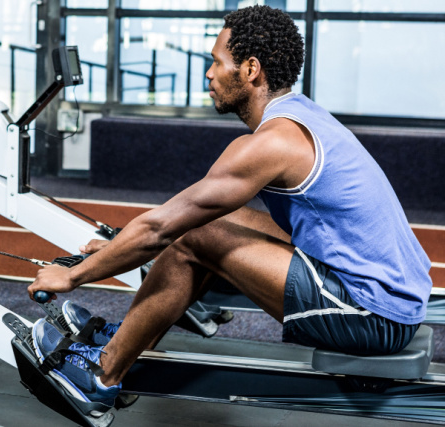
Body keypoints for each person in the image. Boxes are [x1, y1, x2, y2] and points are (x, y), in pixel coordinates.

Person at [26, 5, 433, 411]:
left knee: (196, 236)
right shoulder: (301, 114)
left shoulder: (272, 143)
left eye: (216, 62)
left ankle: (101, 376)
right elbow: (184, 214)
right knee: (209, 223)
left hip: (374, 315)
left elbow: (161, 230)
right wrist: (121, 248)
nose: (209, 73)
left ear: (250, 69)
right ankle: (131, 345)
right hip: (388, 295)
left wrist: (73, 275)